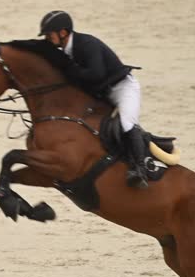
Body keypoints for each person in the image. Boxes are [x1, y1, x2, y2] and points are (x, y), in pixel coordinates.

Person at [38, 10, 148, 189]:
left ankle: (140, 169)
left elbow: (96, 74)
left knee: (127, 123)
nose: (47, 39)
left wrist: (68, 70)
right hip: (101, 93)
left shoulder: (87, 44)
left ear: (63, 33)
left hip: (122, 88)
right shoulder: (64, 50)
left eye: (49, 35)